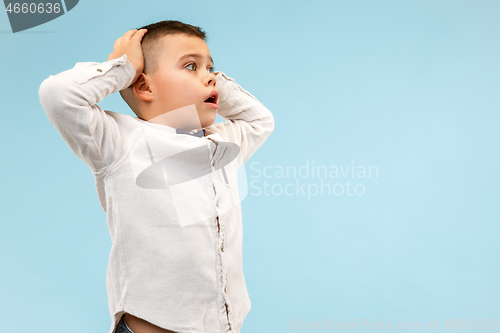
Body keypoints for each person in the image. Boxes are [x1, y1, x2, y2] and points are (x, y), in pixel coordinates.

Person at [38, 20, 274, 333]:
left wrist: (213, 81)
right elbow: (58, 95)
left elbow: (260, 120)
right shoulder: (120, 143)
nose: (210, 78)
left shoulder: (222, 145)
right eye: (191, 66)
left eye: (212, 68)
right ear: (145, 86)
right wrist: (123, 67)